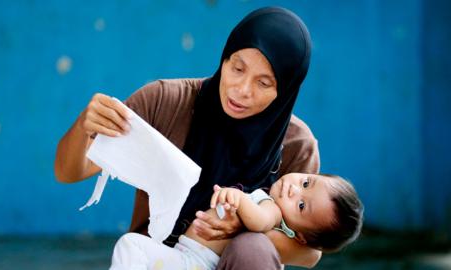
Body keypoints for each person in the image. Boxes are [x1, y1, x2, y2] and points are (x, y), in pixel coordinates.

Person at [55, 6, 324, 269]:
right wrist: (83, 127)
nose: (241, 90)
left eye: (263, 83)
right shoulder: (165, 101)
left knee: (252, 248)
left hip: (239, 263)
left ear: (286, 90)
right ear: (225, 58)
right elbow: (69, 172)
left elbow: (309, 254)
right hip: (159, 259)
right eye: (237, 68)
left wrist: (242, 226)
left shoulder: (296, 144)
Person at [110, 173, 363, 270]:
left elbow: (261, 221)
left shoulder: (272, 210)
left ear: (301, 236)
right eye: (306, 182)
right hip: (188, 260)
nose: (294, 190)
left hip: (196, 263)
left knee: (131, 245)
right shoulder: (279, 215)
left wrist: (240, 200)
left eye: (301, 205)